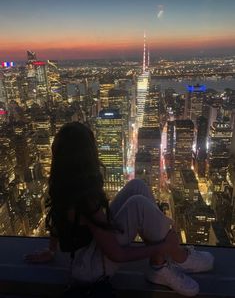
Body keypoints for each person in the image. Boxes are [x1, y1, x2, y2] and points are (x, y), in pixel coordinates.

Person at [25, 122, 214, 297]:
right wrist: (164, 246)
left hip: (83, 258)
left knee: (137, 186)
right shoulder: (85, 200)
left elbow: (57, 221)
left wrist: (51, 251)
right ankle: (172, 260)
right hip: (91, 269)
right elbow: (117, 254)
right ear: (88, 156)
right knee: (138, 205)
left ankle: (162, 264)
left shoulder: (62, 184)